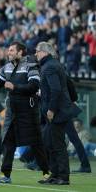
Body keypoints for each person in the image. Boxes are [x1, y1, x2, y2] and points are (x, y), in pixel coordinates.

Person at [0, 41, 49, 184]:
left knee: (36, 143)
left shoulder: (31, 66)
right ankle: (6, 175)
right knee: (7, 143)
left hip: (28, 111)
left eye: (11, 50)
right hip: (12, 112)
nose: (8, 53)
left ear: (20, 52)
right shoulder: (6, 67)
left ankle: (47, 173)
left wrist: (15, 87)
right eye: (8, 50)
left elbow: (34, 86)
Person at [35, 42, 81, 185]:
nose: (36, 54)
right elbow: (62, 86)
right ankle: (55, 174)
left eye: (37, 51)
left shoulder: (50, 67)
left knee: (57, 144)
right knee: (49, 142)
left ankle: (63, 176)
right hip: (57, 110)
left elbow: (56, 90)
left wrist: (51, 109)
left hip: (56, 112)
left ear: (44, 52)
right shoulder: (52, 65)